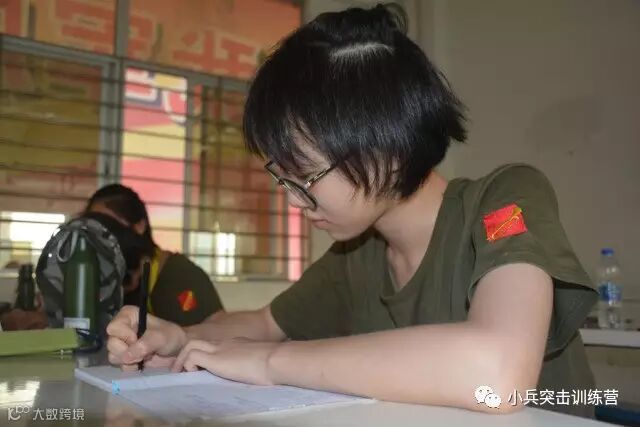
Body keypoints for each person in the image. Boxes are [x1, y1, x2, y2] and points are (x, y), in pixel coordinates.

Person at [106, 4, 597, 418]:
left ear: (387, 151)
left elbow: (497, 373)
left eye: (306, 177)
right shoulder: (356, 253)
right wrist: (180, 337)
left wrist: (270, 362)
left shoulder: (506, 198)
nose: (292, 200)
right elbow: (262, 323)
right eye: (283, 179)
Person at [85, 184, 224, 326]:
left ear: (139, 226)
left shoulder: (180, 275)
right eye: (92, 225)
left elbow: (214, 330)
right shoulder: (89, 275)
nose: (98, 234)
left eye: (108, 225)